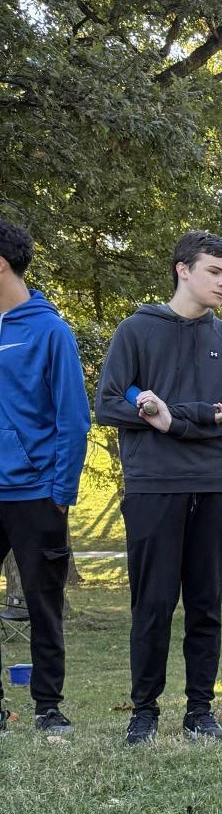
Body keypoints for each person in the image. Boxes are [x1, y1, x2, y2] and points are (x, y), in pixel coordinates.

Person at [94, 231, 222, 745]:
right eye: (214, 271)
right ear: (183, 269)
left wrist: (171, 419)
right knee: (153, 603)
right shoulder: (136, 331)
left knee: (206, 604)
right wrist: (198, 416)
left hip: (213, 486)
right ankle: (144, 713)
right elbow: (110, 403)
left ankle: (200, 713)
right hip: (153, 486)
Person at [0, 218, 90, 734]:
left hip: (36, 493)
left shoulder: (50, 329)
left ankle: (48, 709)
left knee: (43, 605)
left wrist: (61, 491)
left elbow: (72, 417)